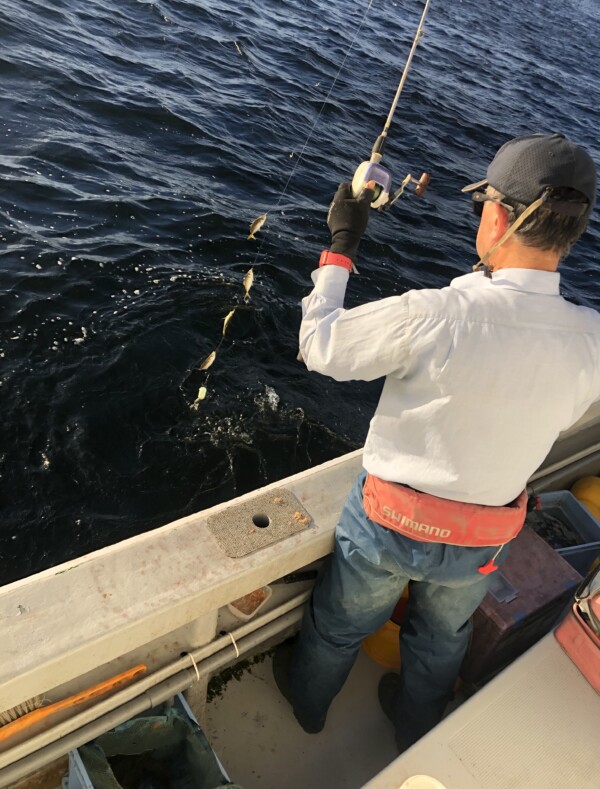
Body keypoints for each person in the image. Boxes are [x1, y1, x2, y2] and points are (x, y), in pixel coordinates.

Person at [272, 132, 600, 752]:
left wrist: (343, 243)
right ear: (571, 234)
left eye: (484, 207)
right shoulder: (592, 339)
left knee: (341, 624)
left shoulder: (436, 313)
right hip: (482, 540)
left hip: (390, 523)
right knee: (443, 638)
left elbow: (320, 347)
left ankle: (307, 704)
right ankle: (414, 730)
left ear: (498, 215)